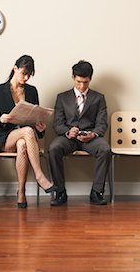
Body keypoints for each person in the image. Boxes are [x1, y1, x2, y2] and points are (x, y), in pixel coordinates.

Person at [0, 55, 56, 208]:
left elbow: (35, 115)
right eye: (23, 73)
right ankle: (40, 176)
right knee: (26, 132)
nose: (26, 78)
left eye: (29, 75)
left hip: (25, 138)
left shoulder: (32, 91)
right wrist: (0, 119)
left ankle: (21, 193)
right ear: (15, 69)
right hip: (6, 138)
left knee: (22, 144)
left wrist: (40, 128)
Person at [49, 60, 111, 206]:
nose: (82, 86)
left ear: (90, 79)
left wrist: (93, 134)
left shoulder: (99, 98)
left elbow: (102, 124)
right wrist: (67, 132)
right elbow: (57, 124)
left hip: (91, 138)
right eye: (78, 82)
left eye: (85, 82)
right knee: (53, 148)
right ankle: (60, 192)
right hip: (68, 138)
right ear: (73, 77)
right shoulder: (61, 97)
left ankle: (96, 192)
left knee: (105, 149)